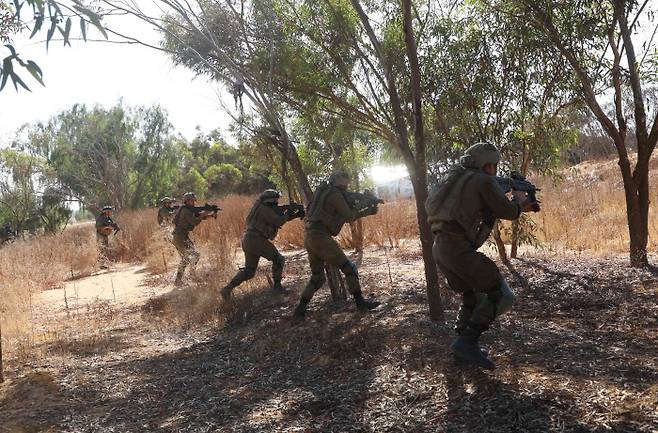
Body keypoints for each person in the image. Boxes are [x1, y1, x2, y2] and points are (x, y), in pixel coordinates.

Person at [426, 142, 539, 370]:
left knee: (472, 296)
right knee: (502, 296)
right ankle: (467, 342)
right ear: (487, 165)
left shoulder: (456, 180)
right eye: (494, 165)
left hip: (441, 249)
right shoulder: (483, 181)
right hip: (459, 249)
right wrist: (520, 201)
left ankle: (461, 349)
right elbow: (507, 211)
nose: (496, 170)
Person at [293, 170, 380, 318]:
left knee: (318, 278)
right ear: (341, 182)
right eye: (346, 184)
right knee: (350, 268)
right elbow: (349, 215)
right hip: (320, 237)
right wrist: (368, 206)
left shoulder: (323, 193)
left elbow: (342, 214)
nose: (347, 187)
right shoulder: (334, 195)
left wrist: (366, 208)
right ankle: (360, 304)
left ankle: (300, 310)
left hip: (310, 236)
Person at [220, 189, 304, 299]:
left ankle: (227, 289)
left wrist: (295, 215)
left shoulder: (260, 207)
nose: (278, 202)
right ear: (271, 200)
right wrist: (289, 213)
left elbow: (277, 219)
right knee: (279, 259)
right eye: (276, 200)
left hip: (249, 240)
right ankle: (277, 287)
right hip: (257, 240)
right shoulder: (265, 210)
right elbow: (278, 221)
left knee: (249, 271)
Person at [172, 192, 213, 285]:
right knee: (185, 258)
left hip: (182, 236)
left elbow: (196, 217)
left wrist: (209, 215)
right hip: (179, 237)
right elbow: (195, 222)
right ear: (186, 201)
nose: (193, 203)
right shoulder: (185, 211)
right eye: (191, 201)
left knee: (196, 254)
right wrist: (203, 214)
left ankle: (192, 274)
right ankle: (178, 280)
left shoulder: (187, 210)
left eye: (194, 201)